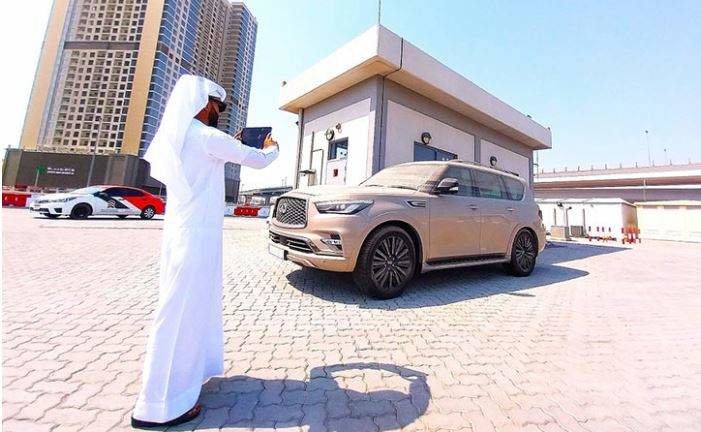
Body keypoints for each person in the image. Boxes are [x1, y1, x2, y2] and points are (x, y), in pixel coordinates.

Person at [131, 75, 278, 428]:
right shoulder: (205, 136)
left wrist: (233, 142)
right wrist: (272, 146)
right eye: (217, 106)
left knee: (190, 310)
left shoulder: (185, 138)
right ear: (202, 103)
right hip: (194, 241)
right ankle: (159, 407)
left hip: (186, 236)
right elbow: (257, 159)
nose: (219, 112)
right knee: (180, 314)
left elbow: (225, 152)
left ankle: (184, 384)